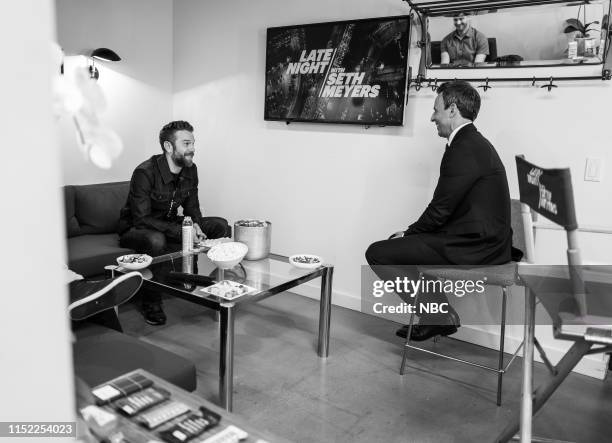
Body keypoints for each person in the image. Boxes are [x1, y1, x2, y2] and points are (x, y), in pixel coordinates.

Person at [365, 80, 512, 341]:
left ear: (452, 110)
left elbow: (440, 209)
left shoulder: (465, 147)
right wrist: (411, 236)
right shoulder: (472, 142)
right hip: (479, 240)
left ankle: (438, 316)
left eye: (436, 109)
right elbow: (448, 207)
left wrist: (409, 234)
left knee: (379, 253)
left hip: (478, 246)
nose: (432, 117)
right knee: (403, 248)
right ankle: (439, 315)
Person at [118, 120, 230, 325]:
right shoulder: (145, 172)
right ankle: (151, 301)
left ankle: (209, 285)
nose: (193, 149)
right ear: (169, 147)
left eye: (193, 143)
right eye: (187, 144)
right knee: (156, 239)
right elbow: (141, 219)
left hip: (168, 222)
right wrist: (182, 231)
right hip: (136, 228)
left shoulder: (190, 169)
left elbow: (192, 207)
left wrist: (195, 224)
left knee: (220, 225)